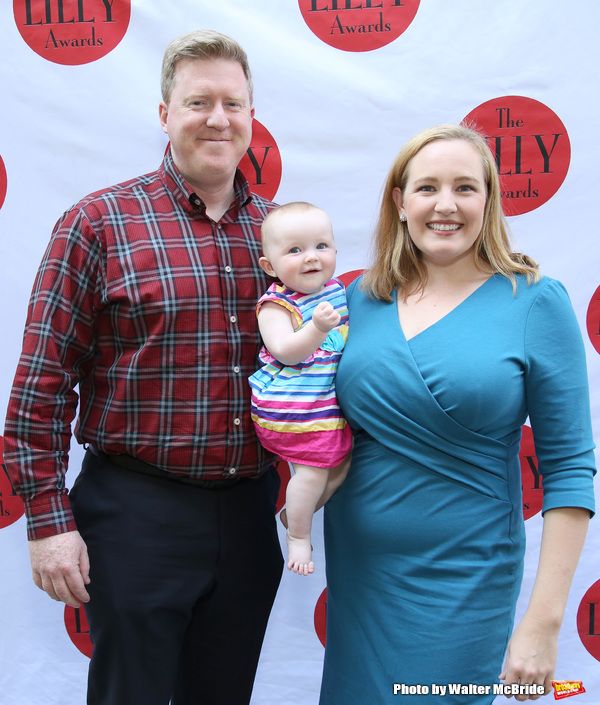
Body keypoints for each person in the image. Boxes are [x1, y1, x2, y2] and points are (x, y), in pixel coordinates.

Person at [3, 30, 284, 705]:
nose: (217, 118)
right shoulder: (98, 222)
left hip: (250, 514)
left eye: (233, 103)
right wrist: (47, 520)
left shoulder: (280, 237)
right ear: (165, 115)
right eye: (197, 102)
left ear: (252, 116)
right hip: (136, 513)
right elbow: (41, 386)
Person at [319, 124, 596, 704]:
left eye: (465, 188)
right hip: (360, 578)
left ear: (489, 200)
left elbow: (569, 469)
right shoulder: (356, 302)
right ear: (400, 200)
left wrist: (543, 624)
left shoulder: (535, 301)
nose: (445, 205)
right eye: (427, 188)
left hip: (464, 582)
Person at [249, 202, 352, 576]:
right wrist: (317, 329)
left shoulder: (338, 290)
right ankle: (298, 538)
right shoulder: (276, 304)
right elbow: (286, 351)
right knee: (310, 473)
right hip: (293, 404)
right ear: (270, 267)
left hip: (324, 403)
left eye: (321, 246)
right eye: (294, 250)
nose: (311, 257)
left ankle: (293, 513)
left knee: (340, 468)